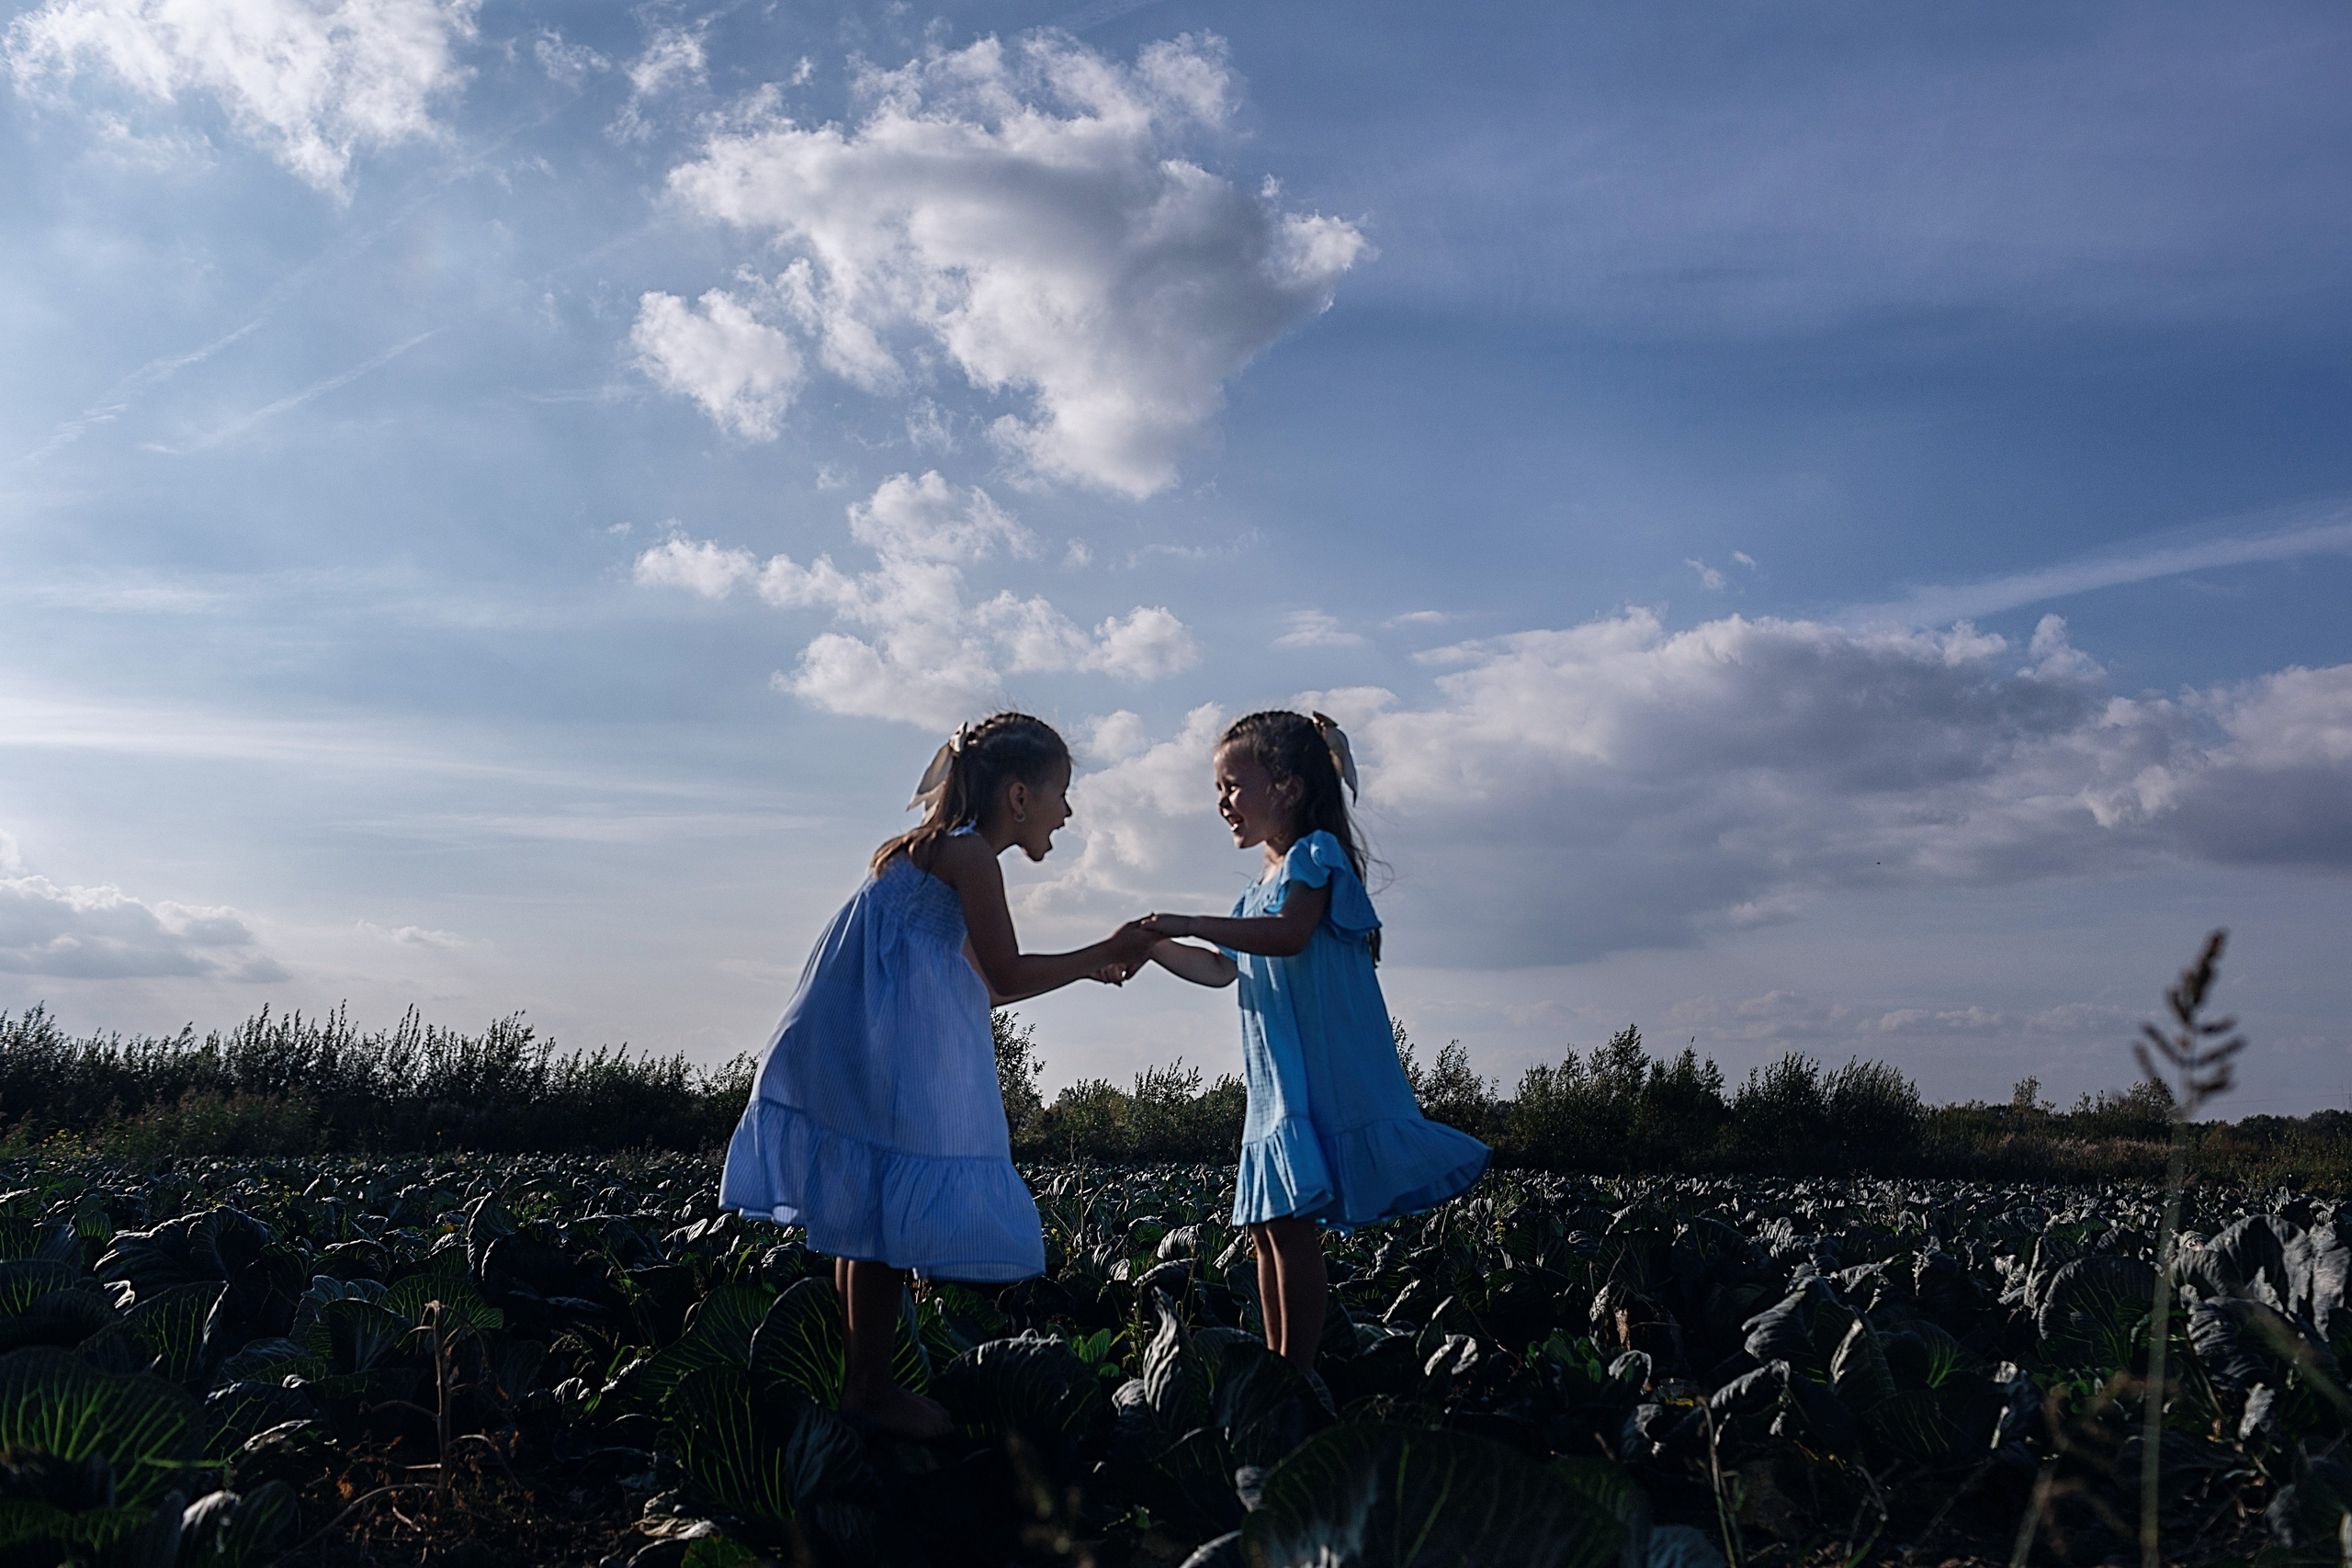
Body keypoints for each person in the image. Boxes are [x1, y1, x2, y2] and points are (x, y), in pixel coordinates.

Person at [719, 712, 1157, 1438]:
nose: (1068, 812)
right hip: (876, 1040)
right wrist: (1105, 947)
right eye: (1062, 793)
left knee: (869, 1214)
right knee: (881, 1214)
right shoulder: (971, 856)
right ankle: (870, 1389)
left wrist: (1090, 966)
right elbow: (1007, 973)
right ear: (1019, 796)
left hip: (847, 1037)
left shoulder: (930, 850)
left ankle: (865, 1384)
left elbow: (982, 981)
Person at [1138, 709, 1490, 1372]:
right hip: (1275, 1085)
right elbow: (1218, 968)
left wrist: (1188, 919)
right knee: (1269, 1229)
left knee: (1293, 1231)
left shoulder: (1315, 858)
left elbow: (1290, 933)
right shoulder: (1252, 896)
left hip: (1319, 1077)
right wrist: (1152, 945)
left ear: (1289, 788)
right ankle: (1281, 1371)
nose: (1222, 803)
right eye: (1218, 789)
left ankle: (1294, 1376)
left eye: (1233, 786)